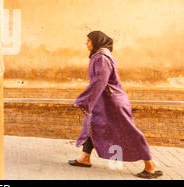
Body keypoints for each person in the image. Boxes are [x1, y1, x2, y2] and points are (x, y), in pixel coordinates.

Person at [68, 30, 163, 179]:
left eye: (88, 41)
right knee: (91, 125)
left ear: (96, 41)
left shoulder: (102, 58)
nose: (86, 44)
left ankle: (150, 165)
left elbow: (100, 81)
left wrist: (83, 100)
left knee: (128, 132)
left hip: (113, 103)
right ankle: (85, 158)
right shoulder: (98, 56)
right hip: (103, 101)